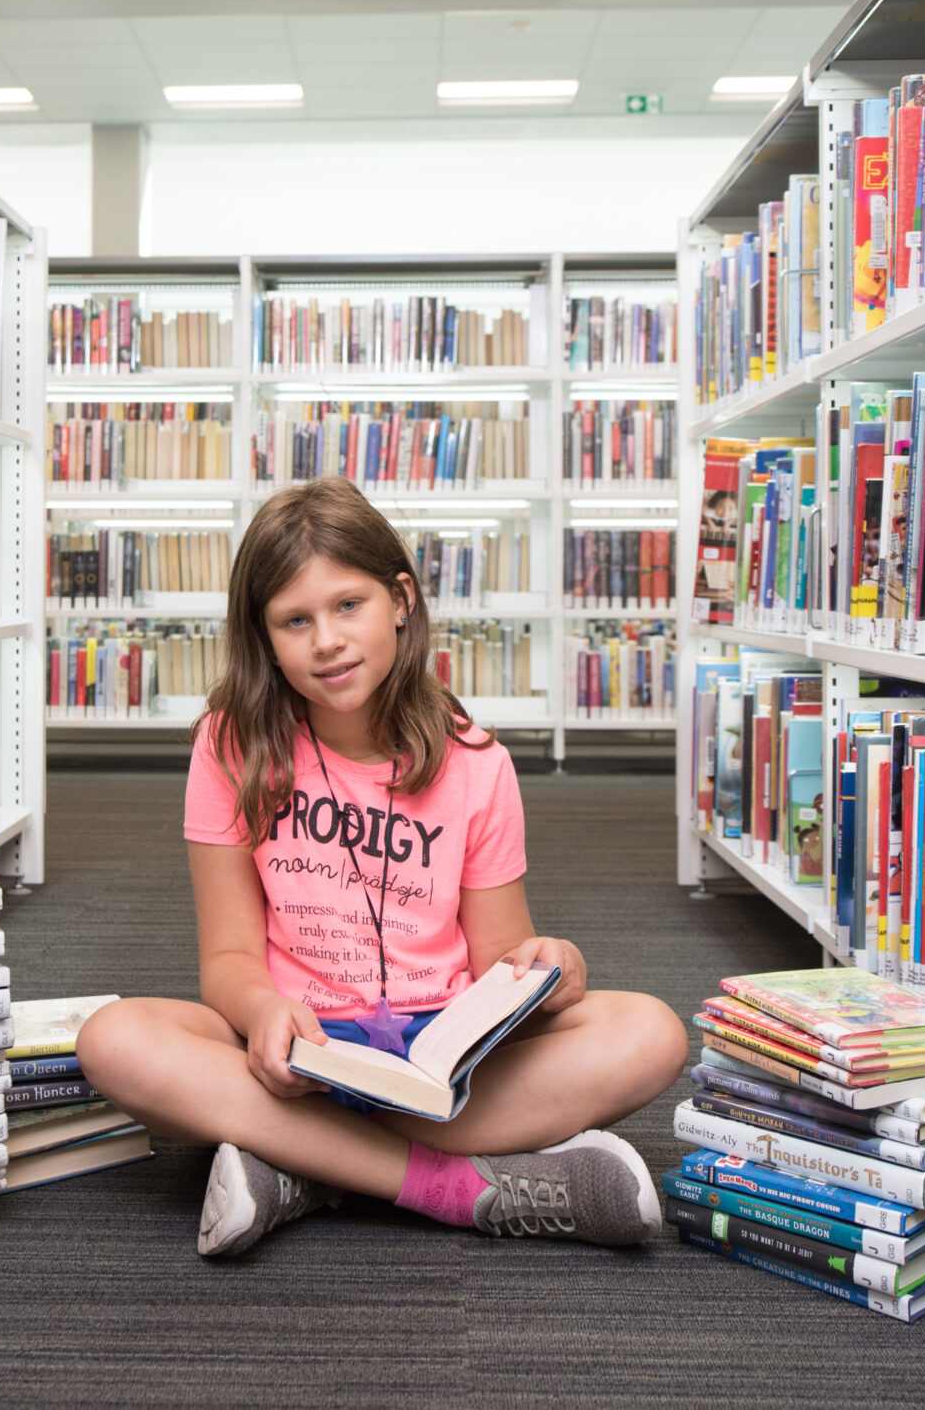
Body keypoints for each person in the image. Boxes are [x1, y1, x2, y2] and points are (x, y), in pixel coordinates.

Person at [78, 478, 689, 1259]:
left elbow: (504, 956)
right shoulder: (231, 743)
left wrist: (551, 966)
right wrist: (264, 1012)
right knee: (114, 1038)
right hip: (294, 1053)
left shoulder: (477, 761)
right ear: (264, 637)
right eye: (294, 621)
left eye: (348, 605)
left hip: (441, 1065)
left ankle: (304, 1167)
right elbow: (228, 957)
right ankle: (453, 1188)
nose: (326, 640)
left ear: (400, 598)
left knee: (650, 1031)